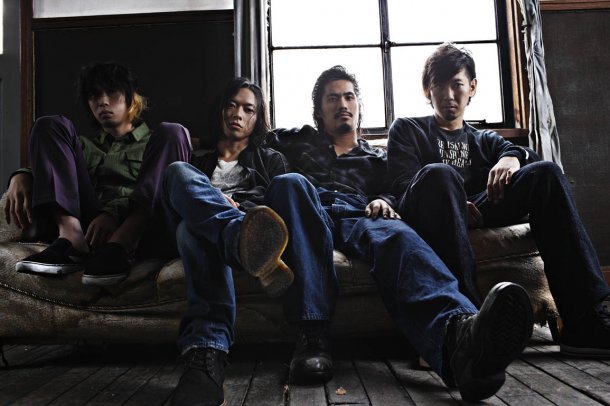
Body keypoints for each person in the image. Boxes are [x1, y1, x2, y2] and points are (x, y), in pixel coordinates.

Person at [265, 65, 533, 402]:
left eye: (349, 96)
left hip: (361, 212)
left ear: (359, 105)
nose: (342, 104)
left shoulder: (380, 158)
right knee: (289, 183)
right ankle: (312, 337)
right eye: (332, 98)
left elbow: (400, 190)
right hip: (308, 209)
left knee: (398, 237)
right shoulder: (296, 142)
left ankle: (460, 340)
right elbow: (256, 138)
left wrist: (385, 200)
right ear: (319, 110)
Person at [386, 43, 610, 359]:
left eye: (457, 84)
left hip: (479, 208)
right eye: (439, 85)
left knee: (546, 173)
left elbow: (527, 158)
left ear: (472, 87)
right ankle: (464, 325)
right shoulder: (408, 128)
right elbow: (403, 186)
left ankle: (584, 321)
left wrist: (511, 157)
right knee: (440, 174)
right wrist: (452, 203)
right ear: (427, 89)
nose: (448, 94)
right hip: (431, 208)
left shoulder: (484, 138)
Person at [162, 78, 297, 406]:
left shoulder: (271, 160)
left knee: (192, 231)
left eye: (248, 109)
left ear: (257, 118)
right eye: (232, 105)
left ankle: (206, 357)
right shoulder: (196, 159)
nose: (238, 114)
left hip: (210, 232)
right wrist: (218, 203)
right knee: (176, 171)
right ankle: (238, 240)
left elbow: (275, 209)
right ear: (221, 110)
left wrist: (242, 207)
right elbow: (176, 197)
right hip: (221, 229)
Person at [4, 62, 192, 285]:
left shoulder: (159, 142)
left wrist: (113, 214)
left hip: (142, 228)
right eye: (94, 95)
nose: (103, 101)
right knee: (50, 124)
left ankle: (122, 244)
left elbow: (169, 186)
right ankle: (71, 241)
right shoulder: (82, 146)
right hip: (89, 228)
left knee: (174, 131)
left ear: (131, 98)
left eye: (112, 93)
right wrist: (21, 175)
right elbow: (52, 167)